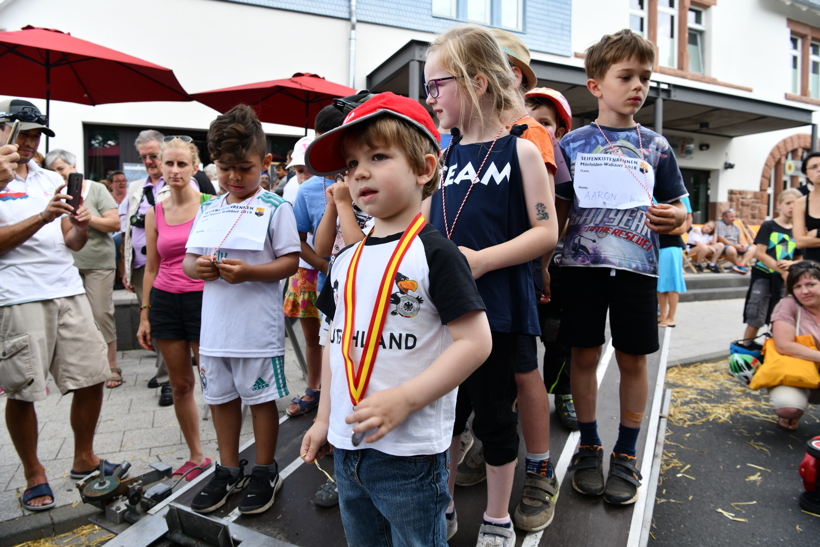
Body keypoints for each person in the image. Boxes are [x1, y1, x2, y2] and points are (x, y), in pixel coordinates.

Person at [301, 91, 491, 547]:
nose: (358, 172)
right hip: (349, 448)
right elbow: (336, 343)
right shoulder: (346, 260)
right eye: (350, 164)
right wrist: (325, 418)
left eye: (378, 156)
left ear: (425, 169)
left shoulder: (435, 253)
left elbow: (475, 342)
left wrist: (406, 399)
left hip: (408, 455)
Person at [424, 26, 559, 546]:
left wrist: (482, 260)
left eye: (437, 85)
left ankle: (498, 516)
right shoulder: (440, 159)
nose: (430, 97)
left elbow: (545, 230)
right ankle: (447, 504)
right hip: (444, 314)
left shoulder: (521, 152)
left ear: (476, 83)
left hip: (498, 312)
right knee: (446, 421)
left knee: (496, 419)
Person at [556, 29, 687, 506]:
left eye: (645, 79)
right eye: (625, 76)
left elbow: (680, 210)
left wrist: (678, 217)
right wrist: (548, 264)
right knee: (584, 356)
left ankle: (627, 453)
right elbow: (559, 211)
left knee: (634, 359)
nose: (638, 87)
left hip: (639, 272)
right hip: (581, 269)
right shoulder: (570, 144)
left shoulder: (657, 146)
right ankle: (589, 446)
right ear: (595, 85)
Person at [0, 99, 121, 513]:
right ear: (3, 131)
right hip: (18, 295)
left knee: (93, 375)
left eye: (37, 135)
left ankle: (84, 459)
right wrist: (41, 217)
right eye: (23, 133)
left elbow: (71, 241)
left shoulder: (49, 176)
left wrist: (82, 226)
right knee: (24, 390)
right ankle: (34, 473)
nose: (31, 143)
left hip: (66, 287)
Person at [183, 105, 300, 515]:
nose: (233, 177)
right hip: (215, 330)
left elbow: (290, 261)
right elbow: (188, 260)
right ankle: (228, 468)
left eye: (244, 168)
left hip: (255, 329)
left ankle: (266, 469)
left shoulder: (275, 207)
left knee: (261, 398)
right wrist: (195, 267)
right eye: (224, 167)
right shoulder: (209, 208)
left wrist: (251, 272)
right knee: (219, 398)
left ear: (266, 162)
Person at [136, 136, 213, 480]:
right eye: (169, 163)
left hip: (204, 299)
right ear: (160, 167)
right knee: (181, 385)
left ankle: (228, 452)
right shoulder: (154, 212)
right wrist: (144, 314)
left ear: (195, 167)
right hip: (166, 301)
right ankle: (197, 455)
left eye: (182, 164)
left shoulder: (212, 205)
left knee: (213, 381)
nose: (175, 170)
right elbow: (151, 267)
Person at [524, 87, 579, 432]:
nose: (538, 129)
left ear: (559, 132)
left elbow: (561, 218)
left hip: (556, 268)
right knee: (523, 339)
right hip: (521, 266)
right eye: (531, 121)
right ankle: (522, 397)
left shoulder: (563, 169)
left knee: (558, 337)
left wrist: (544, 264)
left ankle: (562, 392)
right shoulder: (514, 158)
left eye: (545, 123)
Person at [44, 149, 123, 388]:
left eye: (61, 169)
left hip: (97, 262)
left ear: (74, 168)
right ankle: (79, 366)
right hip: (65, 265)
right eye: (52, 170)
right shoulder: (50, 193)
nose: (57, 174)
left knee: (101, 313)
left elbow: (114, 223)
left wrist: (86, 219)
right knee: (70, 318)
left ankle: (111, 365)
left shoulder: (95, 189)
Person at [287, 107, 346, 423]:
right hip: (327, 285)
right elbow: (299, 241)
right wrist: (323, 267)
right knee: (327, 346)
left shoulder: (364, 179)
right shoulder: (308, 189)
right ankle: (325, 405)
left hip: (372, 284)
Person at [121, 129, 172, 404]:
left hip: (166, 265)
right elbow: (126, 230)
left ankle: (168, 379)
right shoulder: (135, 188)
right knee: (147, 320)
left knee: (160, 320)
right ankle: (164, 369)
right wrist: (125, 269)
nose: (149, 162)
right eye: (144, 158)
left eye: (154, 155)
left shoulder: (176, 182)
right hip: (141, 265)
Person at [738, 189, 802, 348]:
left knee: (779, 318)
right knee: (756, 316)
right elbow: (760, 253)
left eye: (796, 204)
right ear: (779, 205)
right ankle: (745, 349)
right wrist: (782, 271)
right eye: (788, 203)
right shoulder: (769, 225)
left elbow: (799, 257)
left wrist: (792, 266)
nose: (791, 207)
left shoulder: (799, 231)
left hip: (784, 281)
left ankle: (772, 350)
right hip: (764, 276)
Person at [768, 260, 820, 430]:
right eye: (797, 287)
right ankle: (791, 414)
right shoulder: (788, 305)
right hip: (798, 371)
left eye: (811, 284)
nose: (804, 291)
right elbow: (784, 346)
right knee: (788, 407)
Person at [657, 197, 694, 328]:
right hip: (659, 247)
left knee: (672, 283)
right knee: (660, 284)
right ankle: (663, 315)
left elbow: (682, 228)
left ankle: (671, 318)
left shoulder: (675, 197)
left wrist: (656, 228)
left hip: (670, 247)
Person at [792, 151, 820, 262]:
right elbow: (799, 242)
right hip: (814, 267)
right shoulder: (801, 203)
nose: (819, 169)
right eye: (814, 167)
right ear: (806, 174)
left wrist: (815, 233)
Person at [715, 208, 756, 274]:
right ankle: (737, 265)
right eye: (731, 217)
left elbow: (740, 238)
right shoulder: (719, 224)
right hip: (724, 246)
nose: (734, 218)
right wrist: (735, 246)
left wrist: (742, 245)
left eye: (734, 216)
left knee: (753, 248)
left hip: (736, 246)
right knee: (731, 249)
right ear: (724, 217)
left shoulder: (735, 226)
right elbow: (721, 238)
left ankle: (741, 265)